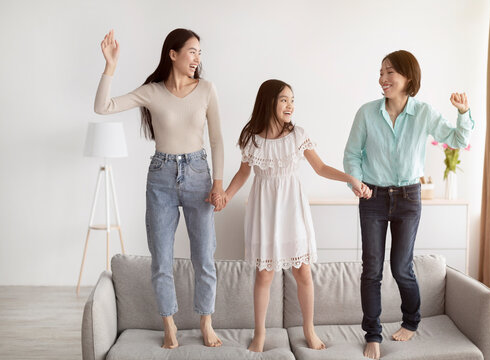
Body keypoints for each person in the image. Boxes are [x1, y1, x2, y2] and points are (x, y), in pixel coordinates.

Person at [94, 28, 225, 349]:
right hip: (161, 177)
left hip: (199, 175)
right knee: (161, 259)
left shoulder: (206, 89)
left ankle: (206, 322)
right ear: (173, 54)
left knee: (204, 257)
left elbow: (218, 139)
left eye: (199, 53)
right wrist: (110, 66)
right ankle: (169, 325)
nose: (197, 58)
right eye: (191, 51)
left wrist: (219, 183)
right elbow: (103, 106)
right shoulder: (152, 92)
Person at [218, 79, 370, 352]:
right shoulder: (252, 138)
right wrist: (227, 195)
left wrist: (351, 179)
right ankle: (260, 333)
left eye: (292, 99)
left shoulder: (298, 135)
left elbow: (320, 167)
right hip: (264, 211)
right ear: (269, 102)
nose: (290, 105)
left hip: (292, 210)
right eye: (284, 99)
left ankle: (309, 330)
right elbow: (243, 173)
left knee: (303, 273)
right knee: (264, 276)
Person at [343, 50, 473, 359]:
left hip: (408, 198)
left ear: (408, 78)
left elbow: (457, 139)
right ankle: (372, 334)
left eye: (390, 73)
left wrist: (464, 112)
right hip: (371, 197)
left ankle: (411, 321)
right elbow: (352, 154)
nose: (383, 78)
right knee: (371, 269)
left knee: (401, 267)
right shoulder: (366, 112)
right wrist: (356, 182)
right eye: (381, 72)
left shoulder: (424, 113)